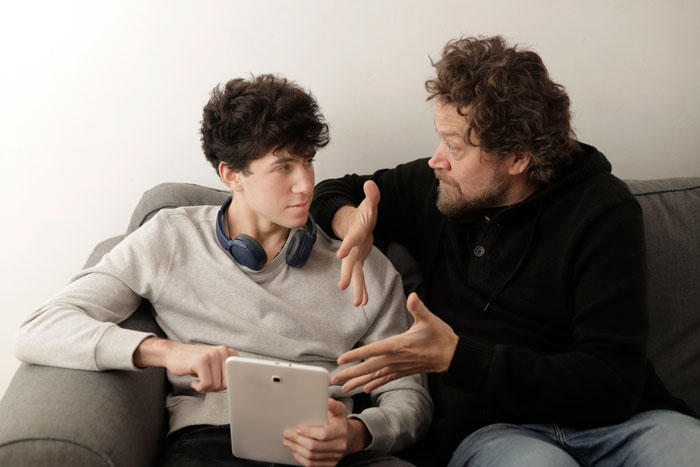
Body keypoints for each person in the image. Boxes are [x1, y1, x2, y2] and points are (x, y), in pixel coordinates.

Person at [309, 36, 700, 466]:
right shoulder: (437, 188)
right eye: (439, 140)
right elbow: (334, 190)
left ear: (518, 157)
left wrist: (458, 357)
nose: (437, 159)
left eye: (454, 146)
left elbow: (611, 380)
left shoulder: (602, 209)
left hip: (625, 424)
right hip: (497, 434)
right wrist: (354, 222)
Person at [15, 74, 432, 467]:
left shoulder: (362, 264)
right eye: (284, 166)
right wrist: (164, 352)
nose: (306, 183)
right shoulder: (170, 238)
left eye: (308, 161)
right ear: (231, 175)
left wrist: (359, 432)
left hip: (335, 451)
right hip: (214, 443)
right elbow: (41, 328)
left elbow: (408, 395)